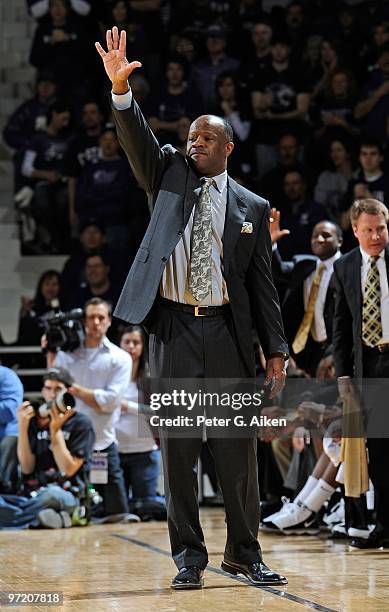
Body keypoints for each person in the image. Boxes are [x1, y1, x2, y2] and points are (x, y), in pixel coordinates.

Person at [96, 26, 288, 588]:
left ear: (228, 147)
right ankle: (189, 558)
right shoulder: (168, 175)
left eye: (205, 139)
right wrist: (120, 93)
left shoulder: (252, 206)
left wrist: (275, 352)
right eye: (190, 137)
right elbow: (137, 142)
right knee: (180, 452)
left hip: (228, 332)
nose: (193, 144)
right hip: (175, 328)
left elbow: (264, 287)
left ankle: (243, 553)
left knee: (237, 455)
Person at [332, 198, 389, 548]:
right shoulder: (346, 267)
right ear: (355, 230)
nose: (375, 235)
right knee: (380, 450)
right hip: (368, 364)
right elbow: (340, 326)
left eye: (381, 228)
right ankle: (383, 526)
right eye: (367, 230)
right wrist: (342, 376)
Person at [46, 297, 135, 522]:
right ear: (83, 321)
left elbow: (109, 402)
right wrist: (49, 352)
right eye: (90, 317)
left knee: (118, 514)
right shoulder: (67, 355)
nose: (95, 322)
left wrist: (73, 388)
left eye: (101, 317)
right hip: (70, 446)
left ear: (108, 321)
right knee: (78, 514)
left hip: (101, 447)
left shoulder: (120, 358)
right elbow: (53, 387)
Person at [0, 368, 95, 529]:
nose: (52, 394)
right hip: (32, 493)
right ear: (43, 391)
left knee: (50, 496)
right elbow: (27, 467)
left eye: (57, 389)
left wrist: (55, 431)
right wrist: (22, 427)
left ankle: (25, 518)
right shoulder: (35, 422)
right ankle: (46, 518)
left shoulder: (81, 423)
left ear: (68, 392)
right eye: (48, 388)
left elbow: (68, 469)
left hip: (66, 492)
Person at [270, 213, 343, 376]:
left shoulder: (347, 268)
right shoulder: (304, 265)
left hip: (337, 348)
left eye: (326, 235)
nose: (319, 239)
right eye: (315, 236)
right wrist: (272, 243)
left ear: (339, 241)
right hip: (308, 348)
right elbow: (279, 270)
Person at [116, 326, 165, 519]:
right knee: (118, 511)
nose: (131, 346)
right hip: (115, 454)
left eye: (135, 342)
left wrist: (128, 406)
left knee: (145, 511)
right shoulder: (111, 376)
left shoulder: (151, 377)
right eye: (126, 342)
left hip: (144, 454)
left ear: (143, 346)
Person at [17, 270, 62, 346]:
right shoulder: (32, 307)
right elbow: (23, 335)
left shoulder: (64, 307)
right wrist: (24, 312)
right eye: (47, 284)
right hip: (32, 349)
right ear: (41, 287)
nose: (50, 288)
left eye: (54, 284)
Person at [0, 367, 23, 493]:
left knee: (11, 441)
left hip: (6, 433)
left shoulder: (6, 376)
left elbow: (10, 410)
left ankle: (6, 488)